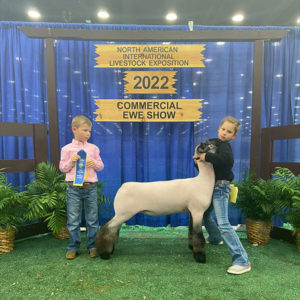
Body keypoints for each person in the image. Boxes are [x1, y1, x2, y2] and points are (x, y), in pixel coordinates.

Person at [193, 116, 251, 275]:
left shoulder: (224, 146)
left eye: (229, 131)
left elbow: (227, 161)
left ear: (234, 136)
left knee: (224, 223)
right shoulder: (216, 144)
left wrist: (207, 157)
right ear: (219, 128)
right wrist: (199, 159)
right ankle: (214, 237)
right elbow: (206, 167)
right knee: (204, 214)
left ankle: (242, 261)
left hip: (220, 187)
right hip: (211, 186)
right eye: (223, 129)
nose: (225, 133)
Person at [59, 115, 104, 260]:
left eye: (89, 131)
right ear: (74, 129)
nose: (88, 134)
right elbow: (62, 168)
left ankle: (93, 246)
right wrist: (71, 162)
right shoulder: (66, 149)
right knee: (73, 219)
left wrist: (94, 164)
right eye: (85, 130)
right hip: (73, 188)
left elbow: (101, 166)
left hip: (90, 187)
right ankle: (73, 247)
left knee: (92, 219)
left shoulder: (93, 148)